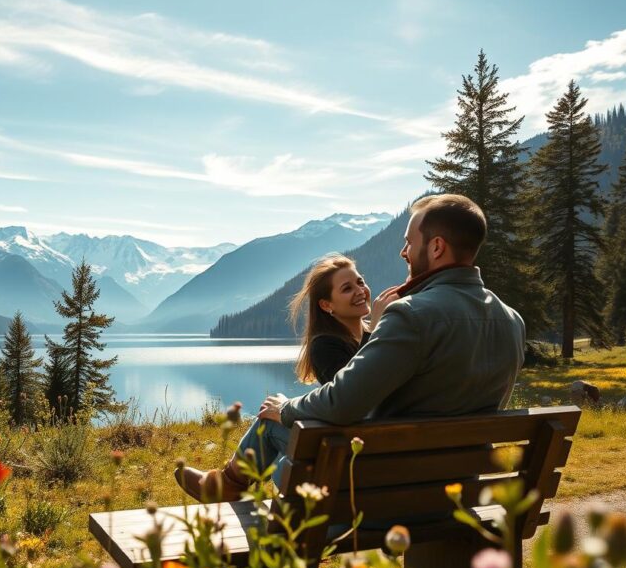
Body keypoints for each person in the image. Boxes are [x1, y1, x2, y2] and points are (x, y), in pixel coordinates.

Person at [175, 193, 526, 503]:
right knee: (291, 455)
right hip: (460, 492)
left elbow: (341, 402)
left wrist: (285, 409)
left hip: (388, 496)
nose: (403, 252)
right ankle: (228, 484)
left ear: (436, 247)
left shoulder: (410, 315)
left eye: (408, 242)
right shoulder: (511, 321)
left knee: (281, 439)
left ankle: (227, 485)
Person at [175, 253, 396, 501]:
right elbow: (351, 390)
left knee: (269, 420)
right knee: (275, 411)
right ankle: (230, 482)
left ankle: (229, 483)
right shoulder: (328, 345)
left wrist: (377, 331)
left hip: (355, 453)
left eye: (360, 282)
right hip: (372, 450)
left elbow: (351, 398)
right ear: (326, 305)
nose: (360, 290)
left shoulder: (368, 337)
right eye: (347, 288)